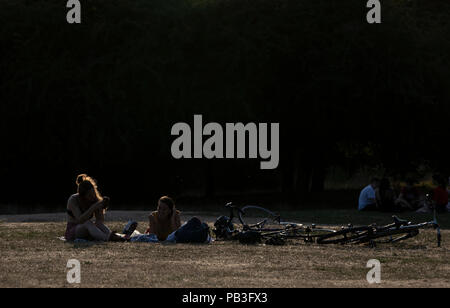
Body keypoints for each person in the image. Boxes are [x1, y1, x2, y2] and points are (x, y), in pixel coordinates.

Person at [64, 174, 126, 242]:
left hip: (87, 230)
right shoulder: (73, 199)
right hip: (73, 231)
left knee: (97, 224)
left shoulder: (94, 199)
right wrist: (94, 207)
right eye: (90, 195)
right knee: (88, 222)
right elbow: (80, 220)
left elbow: (100, 221)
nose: (93, 196)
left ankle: (115, 236)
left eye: (94, 192)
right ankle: (107, 238)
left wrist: (101, 207)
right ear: (82, 196)